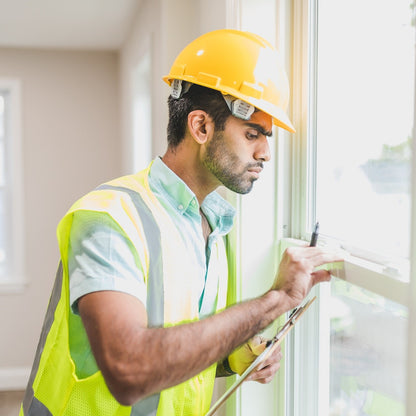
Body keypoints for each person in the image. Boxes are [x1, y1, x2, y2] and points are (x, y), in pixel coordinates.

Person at [20, 29, 342, 416]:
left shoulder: (214, 229)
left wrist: (233, 359)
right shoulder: (108, 219)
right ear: (201, 127)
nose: (266, 153)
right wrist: (274, 301)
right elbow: (130, 371)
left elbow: (174, 350)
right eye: (253, 133)